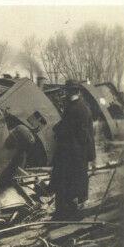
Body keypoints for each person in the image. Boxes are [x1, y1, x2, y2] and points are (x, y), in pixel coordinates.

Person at [48, 88, 93, 220]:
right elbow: (87, 132)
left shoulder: (72, 109)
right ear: (78, 92)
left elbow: (70, 130)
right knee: (75, 181)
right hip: (79, 152)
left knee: (65, 180)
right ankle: (73, 208)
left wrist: (58, 130)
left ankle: (65, 212)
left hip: (70, 151)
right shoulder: (84, 107)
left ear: (68, 93)